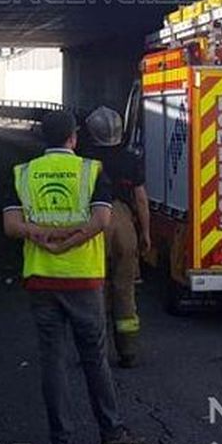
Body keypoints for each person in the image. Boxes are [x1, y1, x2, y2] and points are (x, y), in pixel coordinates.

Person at [3, 110, 140, 444]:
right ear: (74, 138)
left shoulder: (23, 173)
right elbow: (101, 220)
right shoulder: (91, 171)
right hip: (83, 278)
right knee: (94, 358)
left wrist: (42, 235)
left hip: (40, 278)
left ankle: (60, 441)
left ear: (42, 138)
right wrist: (69, 241)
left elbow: (11, 226)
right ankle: (112, 433)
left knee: (52, 360)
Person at [78, 106, 152, 368]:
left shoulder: (83, 159)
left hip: (93, 222)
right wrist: (145, 233)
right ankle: (128, 351)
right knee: (124, 288)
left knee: (92, 290)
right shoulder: (130, 158)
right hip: (124, 224)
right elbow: (141, 199)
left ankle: (93, 352)